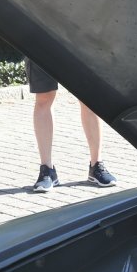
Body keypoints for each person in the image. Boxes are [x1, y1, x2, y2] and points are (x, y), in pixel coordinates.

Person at [27, 59, 117, 191]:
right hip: (42, 46)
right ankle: (47, 170)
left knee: (88, 97)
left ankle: (96, 165)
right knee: (44, 98)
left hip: (78, 46)